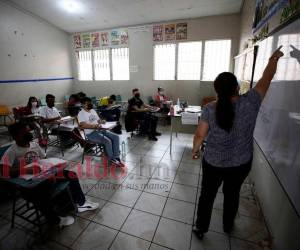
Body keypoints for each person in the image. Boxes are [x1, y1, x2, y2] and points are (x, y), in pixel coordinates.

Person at [192, 47, 284, 239]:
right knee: (232, 195)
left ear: (216, 89)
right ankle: (227, 226)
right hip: (240, 164)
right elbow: (266, 79)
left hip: (213, 163)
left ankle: (201, 227)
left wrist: (195, 150)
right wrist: (273, 58)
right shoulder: (251, 101)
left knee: (207, 196)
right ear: (237, 87)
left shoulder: (210, 108)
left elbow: (200, 135)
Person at [0, 122, 99, 227]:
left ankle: (81, 203)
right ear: (16, 136)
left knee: (71, 175)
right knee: (40, 195)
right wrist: (27, 170)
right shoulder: (12, 151)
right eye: (25, 132)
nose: (29, 133)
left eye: (29, 130)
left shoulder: (34, 145)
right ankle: (54, 220)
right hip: (28, 184)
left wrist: (51, 172)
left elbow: (44, 160)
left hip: (44, 175)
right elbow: (4, 171)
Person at [78, 97, 124, 167]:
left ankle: (116, 157)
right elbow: (82, 126)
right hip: (91, 134)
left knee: (116, 137)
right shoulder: (81, 113)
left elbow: (98, 120)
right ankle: (111, 159)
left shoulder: (92, 110)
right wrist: (94, 126)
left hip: (100, 130)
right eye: (88, 103)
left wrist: (102, 121)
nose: (90, 104)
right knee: (107, 141)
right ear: (83, 104)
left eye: (90, 102)